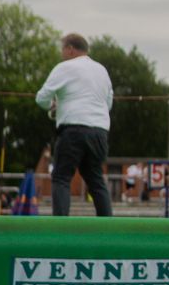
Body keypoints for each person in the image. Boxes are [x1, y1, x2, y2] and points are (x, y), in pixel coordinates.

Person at [35, 33, 114, 217]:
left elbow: (42, 98)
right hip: (100, 132)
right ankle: (108, 226)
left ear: (70, 49)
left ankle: (61, 227)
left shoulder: (65, 67)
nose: (61, 54)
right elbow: (108, 104)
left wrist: (53, 106)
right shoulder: (101, 70)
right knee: (96, 180)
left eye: (62, 49)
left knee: (61, 177)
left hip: (73, 130)